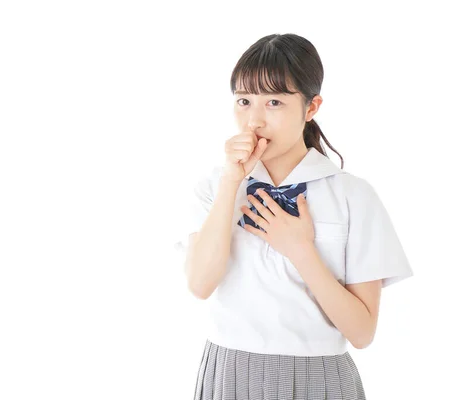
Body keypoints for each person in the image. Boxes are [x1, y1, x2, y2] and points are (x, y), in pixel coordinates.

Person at [173, 33, 414, 400]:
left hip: (320, 377)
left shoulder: (353, 195)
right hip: (229, 373)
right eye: (243, 101)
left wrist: (300, 250)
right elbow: (200, 285)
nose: (254, 120)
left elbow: (362, 333)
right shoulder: (214, 187)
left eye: (274, 102)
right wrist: (231, 182)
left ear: (311, 107)